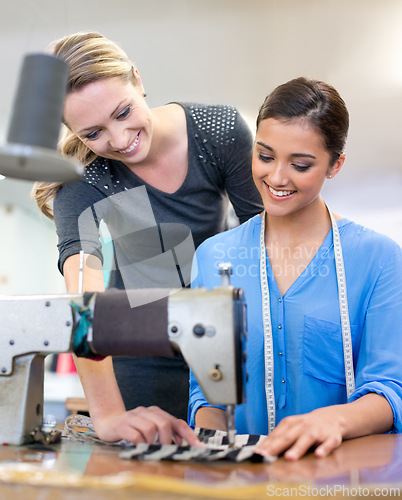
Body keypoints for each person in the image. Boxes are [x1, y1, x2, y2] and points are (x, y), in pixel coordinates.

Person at [32, 32, 263, 445]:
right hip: (142, 356)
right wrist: (106, 414)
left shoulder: (218, 131)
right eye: (93, 133)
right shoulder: (84, 178)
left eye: (123, 112)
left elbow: (268, 244)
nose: (119, 141)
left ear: (137, 80)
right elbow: (85, 299)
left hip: (225, 343)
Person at [189, 77, 402, 460]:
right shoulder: (213, 258)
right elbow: (208, 391)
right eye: (265, 156)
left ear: (335, 165)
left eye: (300, 164)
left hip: (340, 479)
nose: (277, 178)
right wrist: (211, 453)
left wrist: (334, 420)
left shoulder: (380, 259)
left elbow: (389, 390)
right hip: (242, 481)